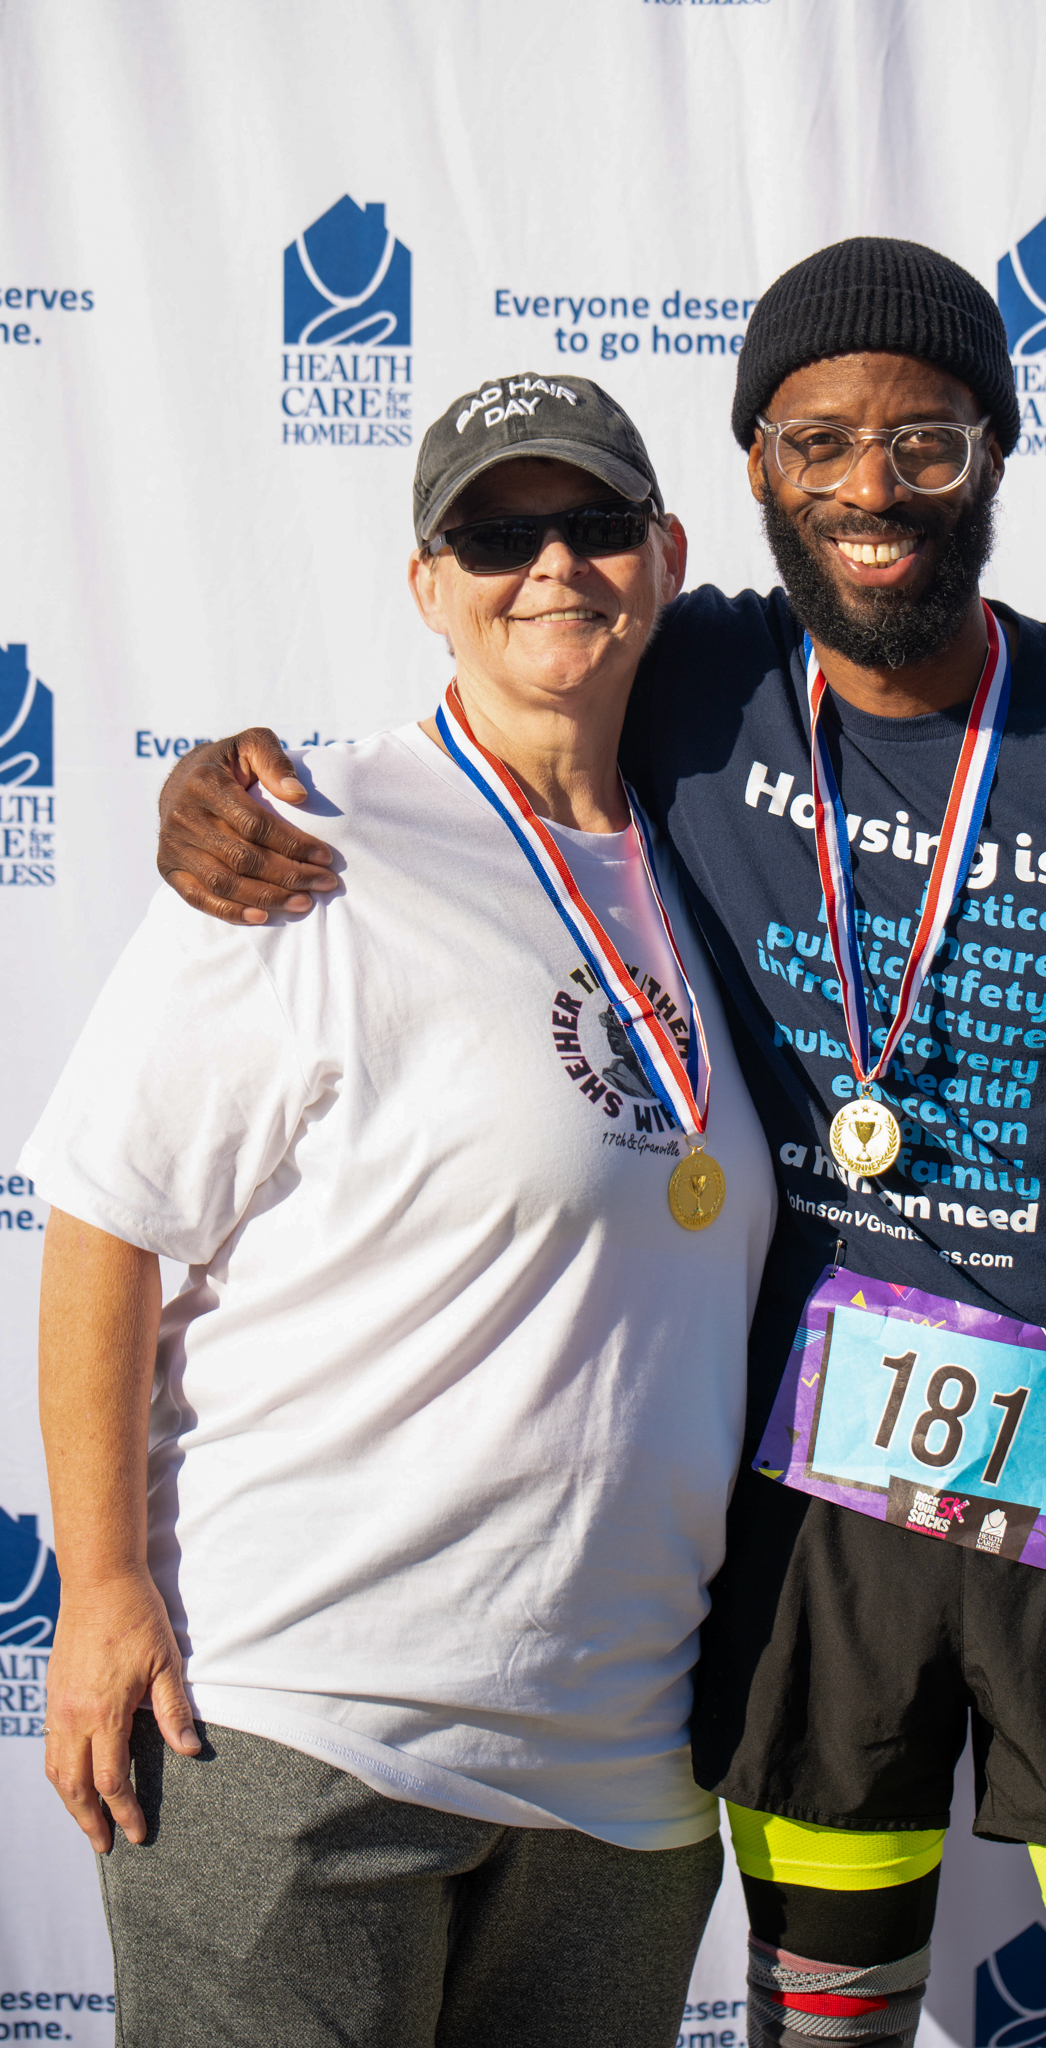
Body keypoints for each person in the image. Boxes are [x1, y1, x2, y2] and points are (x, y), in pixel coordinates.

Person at [156, 239, 1046, 2048]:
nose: (872, 485)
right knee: (827, 2029)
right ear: (754, 475)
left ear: (997, 453)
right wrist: (216, 788)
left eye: (924, 441)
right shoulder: (685, 683)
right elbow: (476, 717)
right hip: (808, 1517)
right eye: (817, 439)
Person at [25, 375, 777, 2048]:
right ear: (427, 584)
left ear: (664, 554)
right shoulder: (306, 837)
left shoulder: (716, 861)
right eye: (497, 536)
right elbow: (105, 1215)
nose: (552, 568)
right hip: (300, 1728)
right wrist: (99, 1586)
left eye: (591, 525)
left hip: (625, 1779)